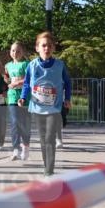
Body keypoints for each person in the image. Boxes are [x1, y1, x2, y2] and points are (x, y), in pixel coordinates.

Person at [18, 32, 71, 177]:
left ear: (53, 48)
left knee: (49, 138)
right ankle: (46, 166)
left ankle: (49, 171)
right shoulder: (32, 65)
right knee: (43, 140)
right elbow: (27, 84)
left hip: (54, 108)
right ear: (37, 48)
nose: (46, 48)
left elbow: (67, 82)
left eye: (49, 45)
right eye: (43, 45)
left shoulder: (60, 65)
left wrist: (68, 98)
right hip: (37, 107)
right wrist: (23, 97)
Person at [5, 41, 31, 161]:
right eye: (13, 50)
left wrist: (17, 82)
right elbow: (6, 77)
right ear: (10, 52)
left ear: (23, 52)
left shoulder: (26, 64)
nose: (15, 53)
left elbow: (29, 79)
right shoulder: (8, 65)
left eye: (18, 51)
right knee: (14, 123)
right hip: (12, 97)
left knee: (24, 124)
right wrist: (8, 82)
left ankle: (25, 146)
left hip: (25, 97)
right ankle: (15, 149)